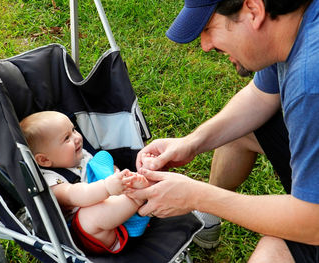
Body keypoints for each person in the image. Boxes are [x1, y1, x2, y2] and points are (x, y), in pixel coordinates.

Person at [127, 0, 319, 262]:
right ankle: (208, 221)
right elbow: (260, 97)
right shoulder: (293, 23)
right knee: (241, 128)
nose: (205, 46)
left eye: (209, 28)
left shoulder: (310, 85)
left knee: (270, 255)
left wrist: (197, 196)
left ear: (254, 10)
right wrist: (192, 142)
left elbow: (312, 222)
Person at [19, 111, 150, 254]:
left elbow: (103, 172)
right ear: (44, 160)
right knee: (87, 217)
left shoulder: (81, 156)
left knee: (104, 162)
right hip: (96, 235)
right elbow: (77, 194)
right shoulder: (51, 181)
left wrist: (117, 177)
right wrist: (108, 186)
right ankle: (138, 199)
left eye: (74, 129)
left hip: (116, 209)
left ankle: (137, 191)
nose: (77, 138)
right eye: (67, 138)